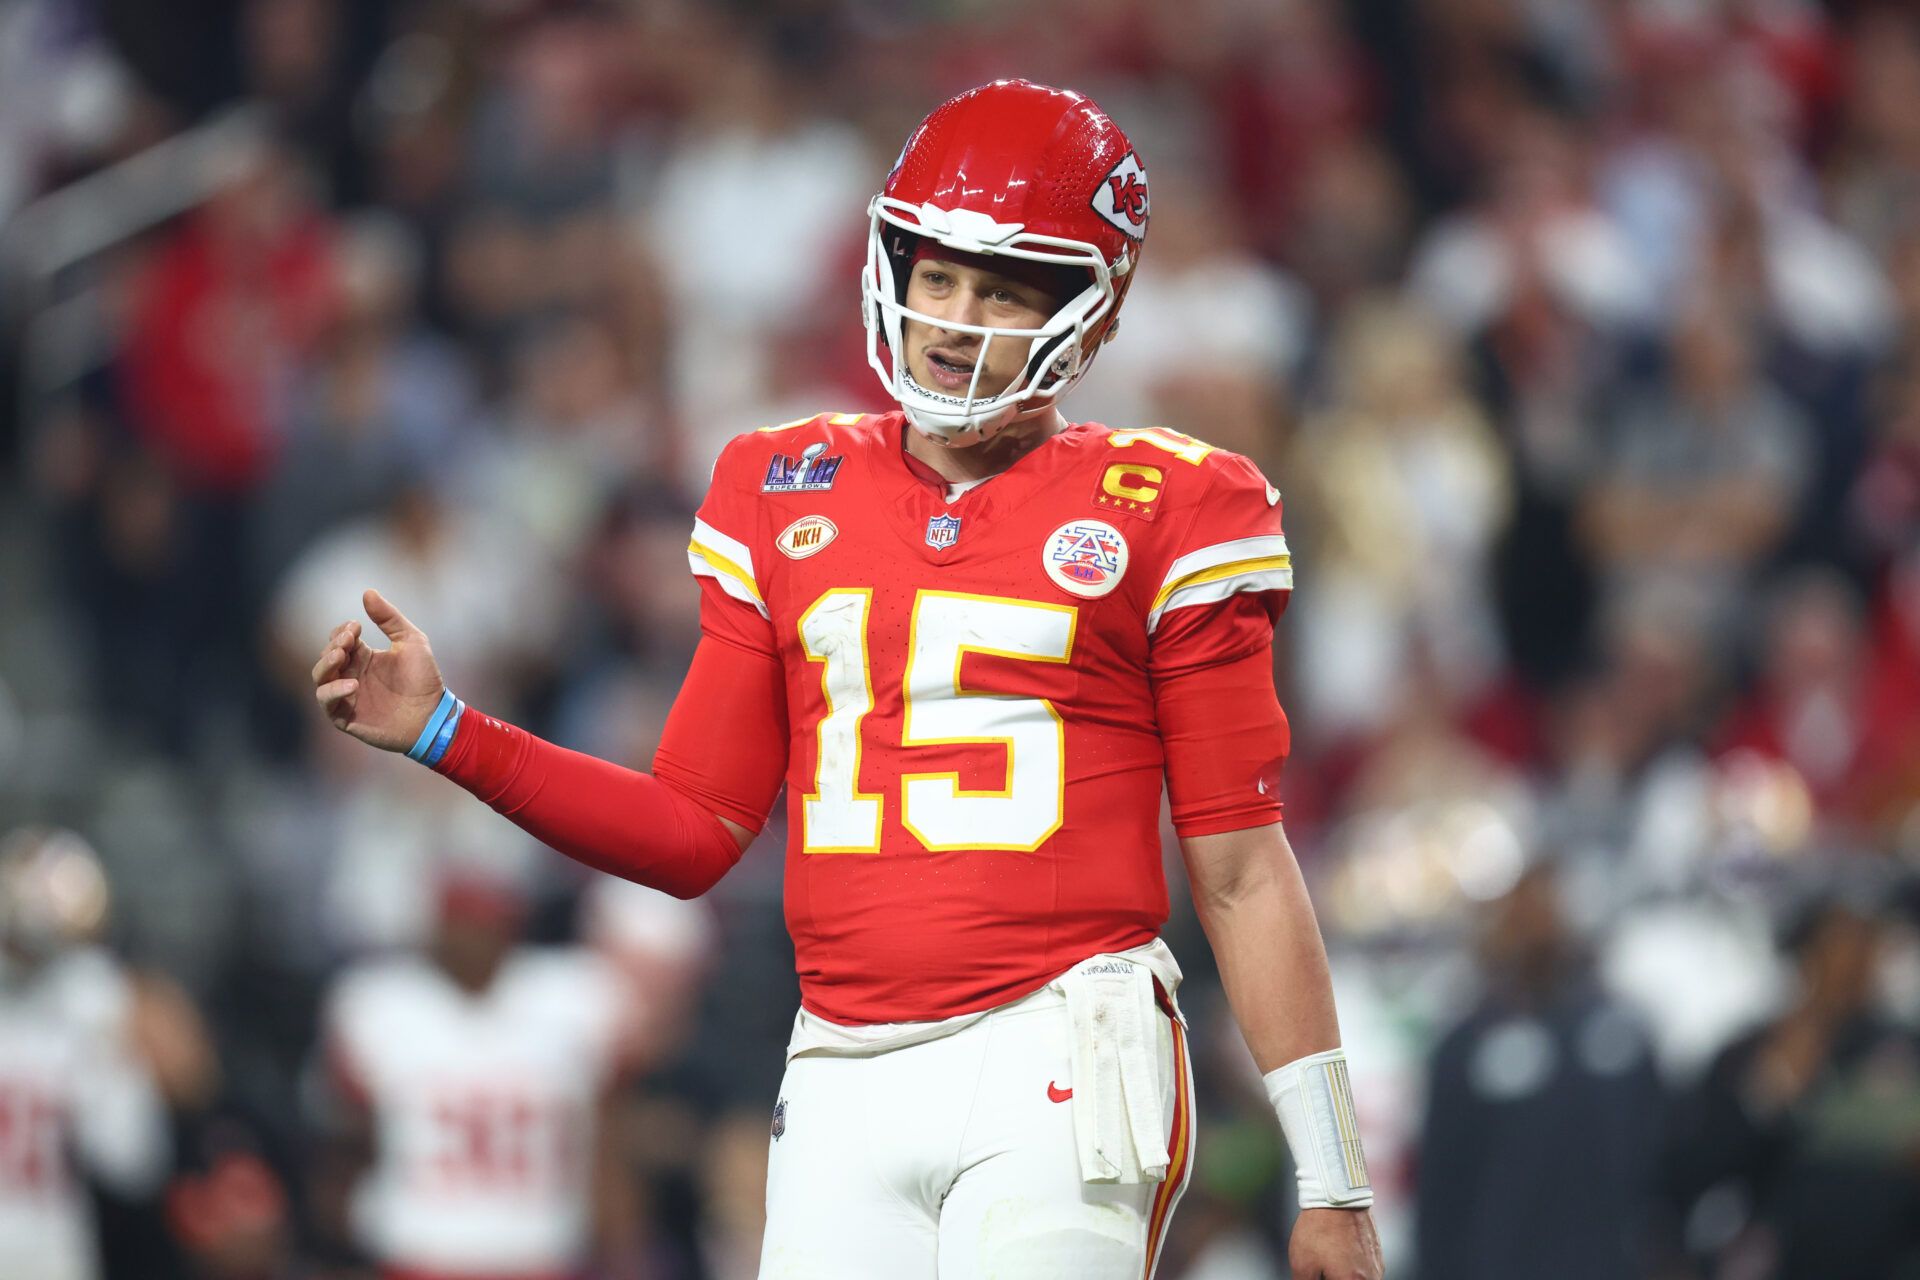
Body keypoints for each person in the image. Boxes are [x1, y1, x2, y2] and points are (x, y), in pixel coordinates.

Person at [311, 79, 1383, 1280]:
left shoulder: (1176, 501)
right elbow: (691, 827)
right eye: (937, 275)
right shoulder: (782, 483)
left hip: (1062, 1044)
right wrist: (447, 731)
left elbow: (1239, 866)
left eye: (1002, 285)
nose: (956, 316)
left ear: (1089, 306)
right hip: (839, 1062)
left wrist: (1333, 1171)